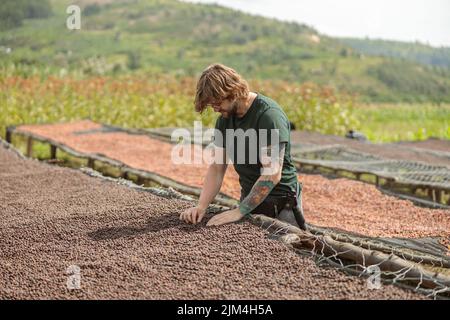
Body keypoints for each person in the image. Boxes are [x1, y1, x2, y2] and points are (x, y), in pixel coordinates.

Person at [179, 63, 306, 229]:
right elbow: (217, 168)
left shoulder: (268, 115)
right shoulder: (225, 120)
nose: (216, 109)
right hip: (249, 198)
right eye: (211, 105)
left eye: (217, 102)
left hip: (281, 202)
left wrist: (239, 211)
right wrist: (201, 206)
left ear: (232, 91)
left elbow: (272, 173)